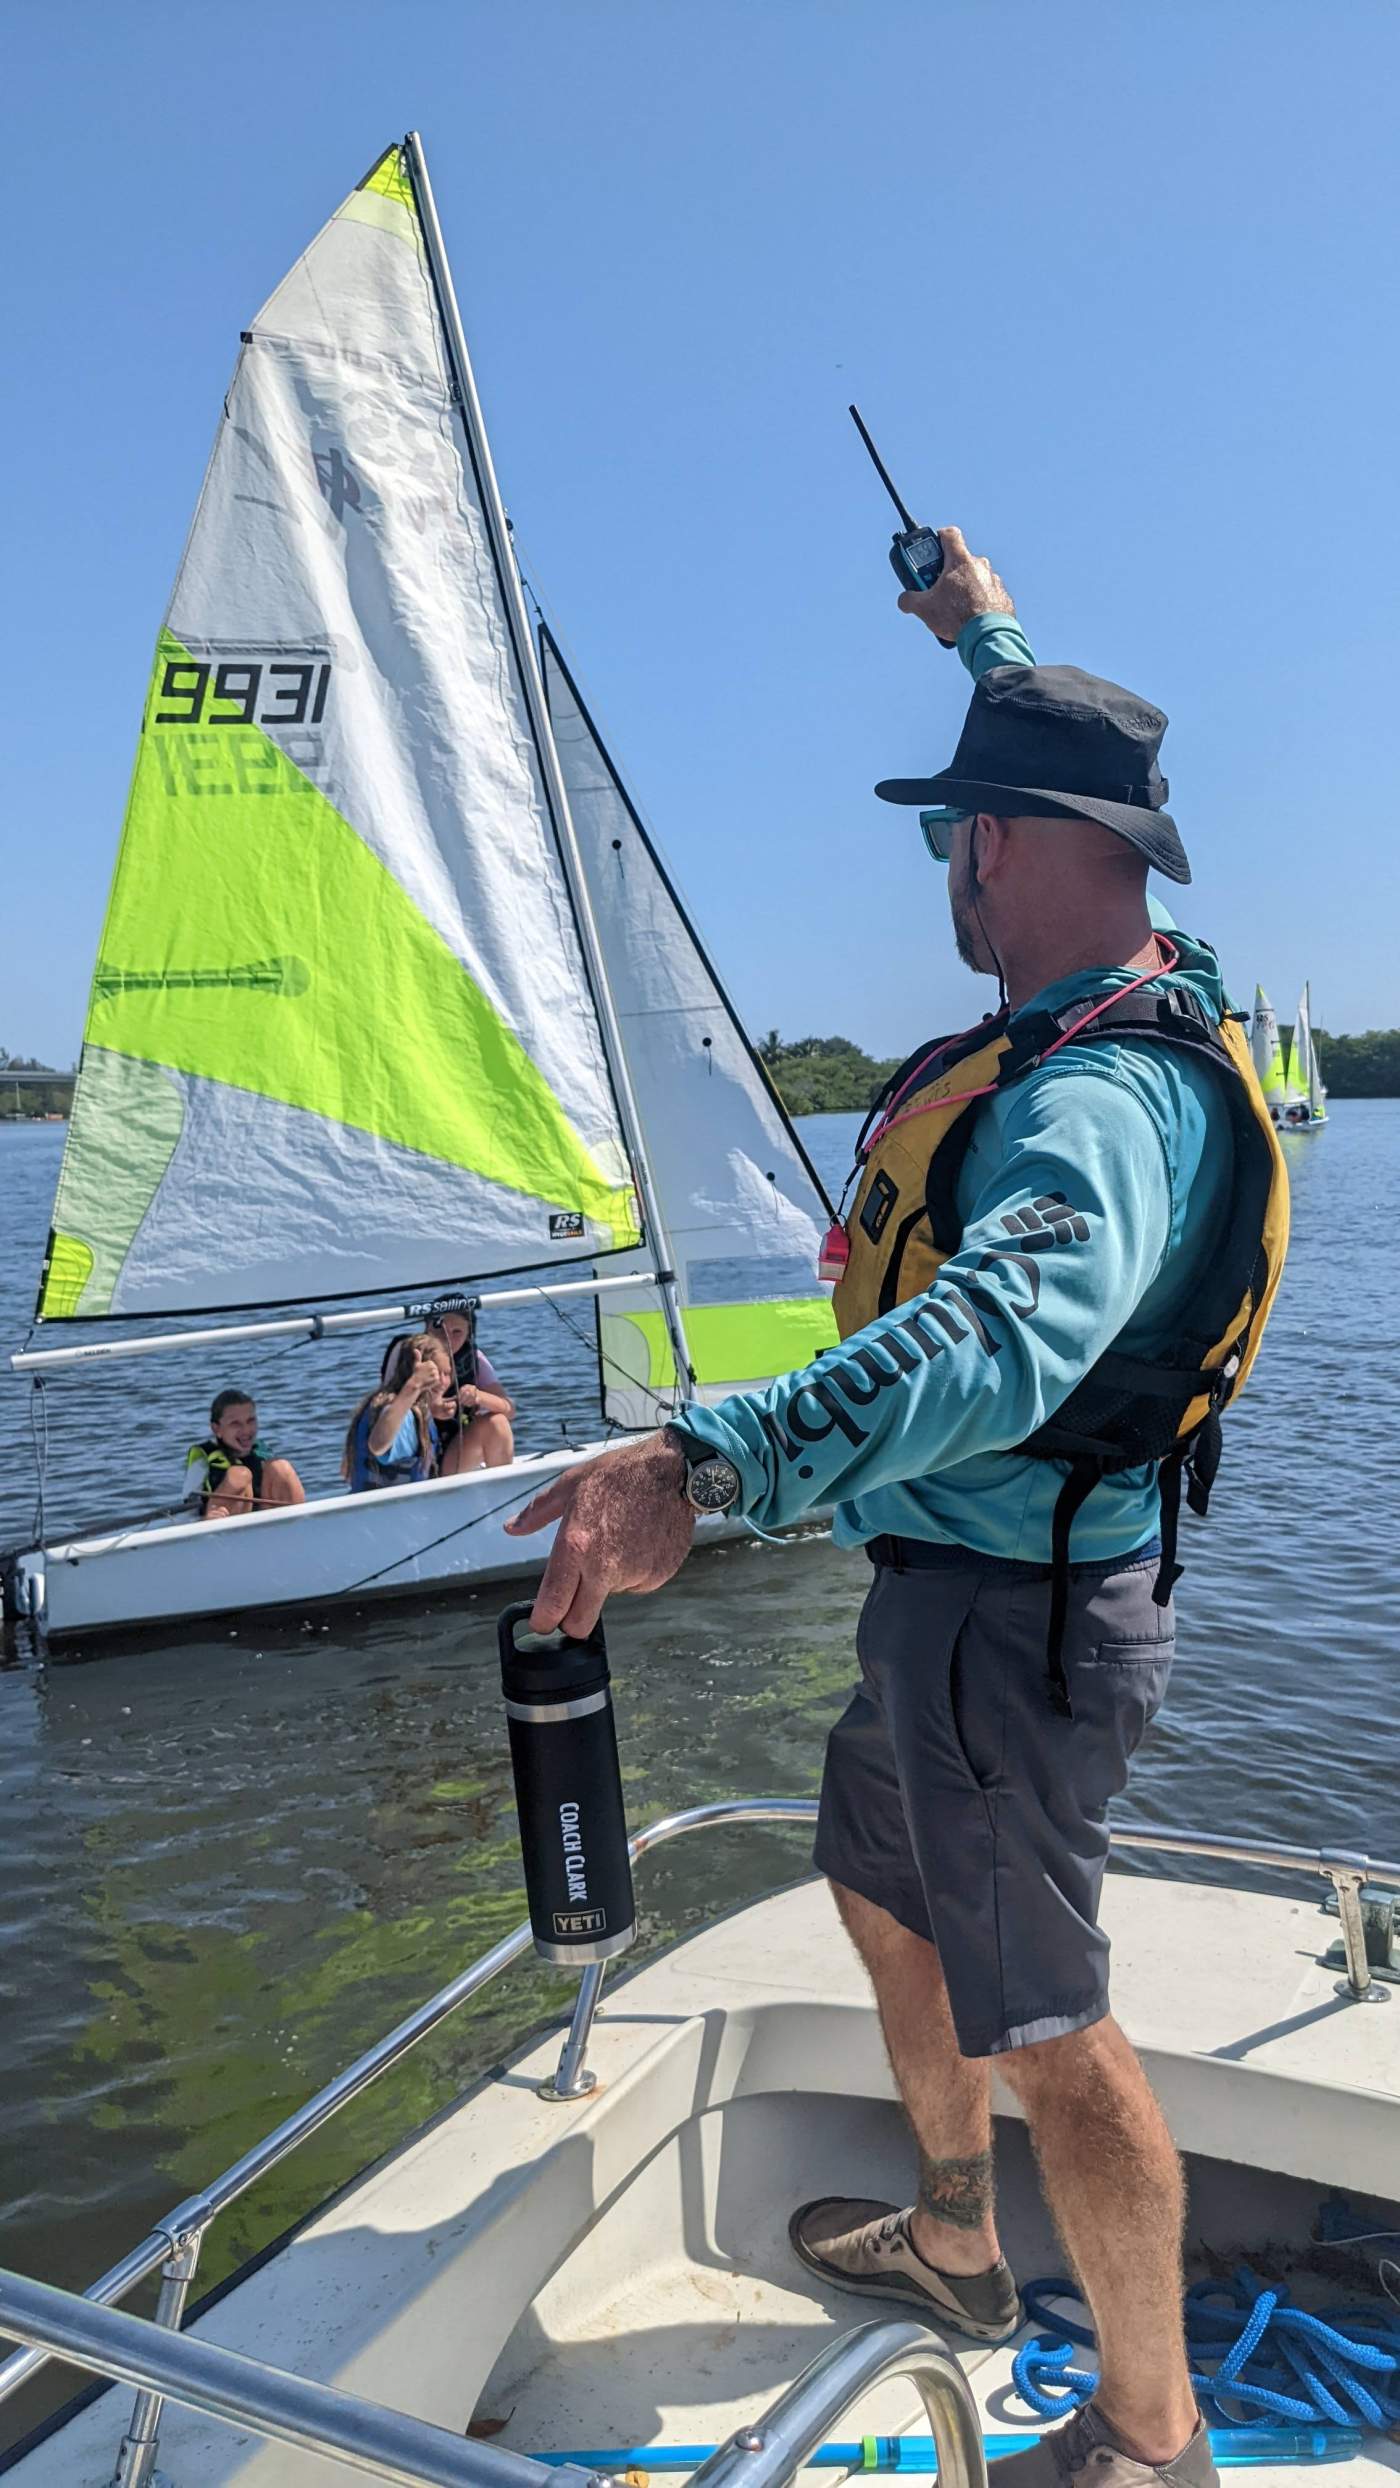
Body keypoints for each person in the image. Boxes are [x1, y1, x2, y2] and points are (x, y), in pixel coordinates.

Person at [504, 527, 1288, 2488]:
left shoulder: (1093, 1102)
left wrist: (704, 1457)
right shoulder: (1143, 970)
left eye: (959, 829)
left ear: (1010, 844)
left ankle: (1147, 2429)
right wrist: (978, 625)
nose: (941, 864)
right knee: (872, 1878)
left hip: (1017, 1637)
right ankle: (954, 2238)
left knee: (1053, 2018)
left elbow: (1006, 1337)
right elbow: (1043, 740)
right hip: (943, 1608)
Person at [343, 1333, 450, 1491]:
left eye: (446, 1373)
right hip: (395, 1512)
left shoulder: (380, 1402)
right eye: (434, 1374)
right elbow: (377, 1444)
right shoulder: (404, 1416)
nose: (442, 1382)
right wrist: (415, 1384)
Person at [426, 1297, 515, 1473]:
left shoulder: (475, 1360)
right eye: (439, 1328)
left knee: (498, 1421)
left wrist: (479, 1396)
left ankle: (502, 1493)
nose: (447, 1338)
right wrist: (429, 1411)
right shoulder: (411, 1358)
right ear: (427, 1329)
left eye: (457, 1331)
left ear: (469, 1333)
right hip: (418, 1458)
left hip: (454, 1453)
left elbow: (509, 1409)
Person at [187, 1389, 305, 1520]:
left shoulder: (262, 1452)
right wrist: (205, 1519)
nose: (246, 1430)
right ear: (217, 1429)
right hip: (221, 1529)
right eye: (235, 1423)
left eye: (250, 1420)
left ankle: (299, 1525)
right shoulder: (201, 1458)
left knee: (282, 1467)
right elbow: (188, 1510)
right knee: (239, 1475)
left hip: (265, 1523)